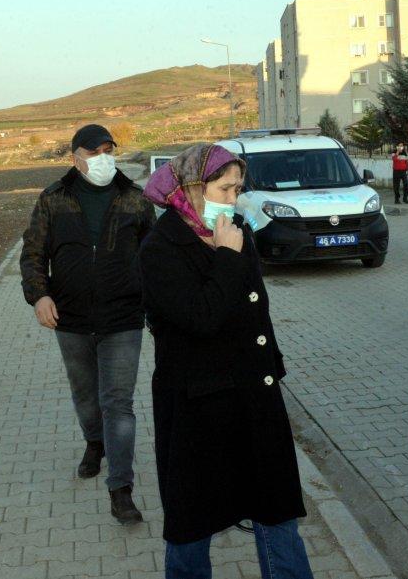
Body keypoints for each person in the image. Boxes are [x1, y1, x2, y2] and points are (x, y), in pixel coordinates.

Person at [139, 143, 313, 579]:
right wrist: (226, 257)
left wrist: (271, 366)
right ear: (190, 188)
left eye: (238, 189)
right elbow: (202, 317)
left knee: (276, 510)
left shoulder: (236, 231)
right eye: (224, 189)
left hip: (254, 397)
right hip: (198, 410)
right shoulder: (159, 248)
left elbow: (256, 309)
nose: (233, 200)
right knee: (192, 522)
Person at [20, 123, 155, 524]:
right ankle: (95, 443)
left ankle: (121, 489)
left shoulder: (135, 199)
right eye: (94, 152)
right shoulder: (53, 199)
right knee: (85, 395)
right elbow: (33, 253)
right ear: (75, 157)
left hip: (123, 319)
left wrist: (157, 308)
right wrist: (40, 295)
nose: (103, 158)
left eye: (108, 150)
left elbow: (154, 257)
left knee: (118, 403)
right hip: (72, 319)